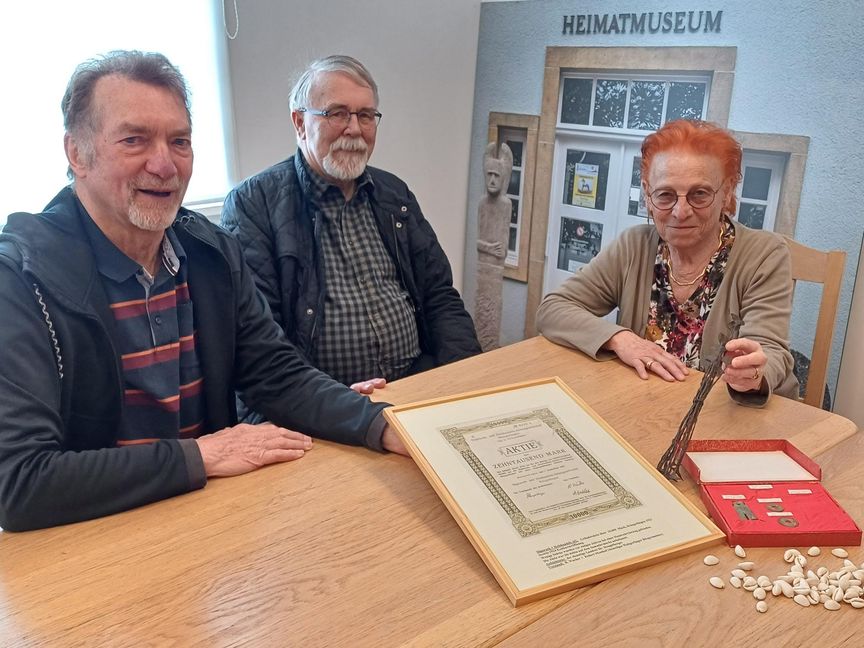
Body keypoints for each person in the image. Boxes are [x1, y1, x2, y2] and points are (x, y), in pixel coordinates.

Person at [0, 51, 406, 532]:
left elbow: (277, 375)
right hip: (91, 542)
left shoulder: (212, 254)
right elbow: (20, 484)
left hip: (210, 521)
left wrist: (381, 425)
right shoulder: (20, 278)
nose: (164, 164)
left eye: (180, 141)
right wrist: (200, 456)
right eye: (134, 140)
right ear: (77, 153)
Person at [221, 55, 479, 397]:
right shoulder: (254, 205)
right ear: (299, 123)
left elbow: (439, 296)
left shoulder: (393, 195)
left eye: (366, 115)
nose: (354, 129)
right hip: (324, 406)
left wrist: (468, 379)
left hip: (417, 384)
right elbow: (262, 343)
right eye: (337, 113)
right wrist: (337, 404)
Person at [536, 119, 797, 406]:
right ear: (648, 195)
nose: (680, 211)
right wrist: (620, 339)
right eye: (665, 195)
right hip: (646, 408)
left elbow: (770, 351)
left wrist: (754, 374)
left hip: (728, 416)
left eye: (700, 194)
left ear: (727, 192)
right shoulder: (633, 246)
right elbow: (552, 309)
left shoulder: (764, 254)